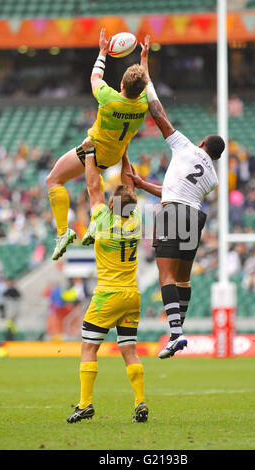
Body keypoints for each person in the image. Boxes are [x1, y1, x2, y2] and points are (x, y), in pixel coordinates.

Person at [128, 36, 225, 359]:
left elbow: (157, 112)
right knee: (183, 278)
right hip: (193, 215)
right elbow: (176, 191)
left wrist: (145, 70)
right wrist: (144, 184)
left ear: (201, 144)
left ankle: (176, 333)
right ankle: (177, 332)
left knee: (165, 275)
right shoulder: (212, 176)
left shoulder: (185, 147)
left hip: (172, 213)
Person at [47, 28, 149, 261]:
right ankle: (94, 224)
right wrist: (144, 60)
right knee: (93, 186)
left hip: (95, 150)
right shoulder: (143, 106)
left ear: (122, 84)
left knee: (53, 179)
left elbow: (95, 77)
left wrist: (103, 52)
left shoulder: (110, 98)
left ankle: (63, 232)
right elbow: (147, 85)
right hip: (115, 153)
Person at [67, 148, 148, 424]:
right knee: (129, 350)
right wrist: (124, 154)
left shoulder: (103, 220)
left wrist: (90, 153)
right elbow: (129, 186)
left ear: (112, 206)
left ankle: (85, 403)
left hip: (107, 295)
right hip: (132, 295)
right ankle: (140, 402)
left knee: (89, 348)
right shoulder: (136, 222)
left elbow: (93, 185)